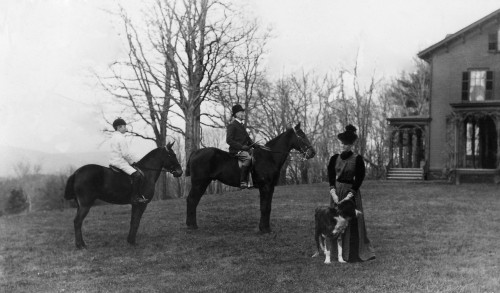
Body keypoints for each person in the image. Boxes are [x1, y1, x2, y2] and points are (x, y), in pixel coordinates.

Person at [327, 124, 375, 262]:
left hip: (350, 193)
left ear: (351, 145)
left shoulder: (357, 159)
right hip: (336, 192)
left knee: (351, 221)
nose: (345, 146)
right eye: (343, 144)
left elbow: (359, 178)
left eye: (347, 144)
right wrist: (333, 193)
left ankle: (352, 253)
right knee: (335, 220)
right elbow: (331, 176)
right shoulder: (334, 158)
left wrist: (350, 195)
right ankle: (335, 253)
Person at [109, 118, 147, 204]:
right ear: (118, 127)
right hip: (120, 162)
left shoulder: (113, 137)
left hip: (113, 162)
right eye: (124, 126)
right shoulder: (121, 138)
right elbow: (125, 154)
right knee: (137, 175)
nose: (125, 128)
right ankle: (135, 198)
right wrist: (132, 162)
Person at [226, 104, 255, 189]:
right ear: (237, 114)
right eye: (242, 112)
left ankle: (251, 183)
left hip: (245, 149)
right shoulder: (232, 125)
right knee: (248, 158)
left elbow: (248, 139)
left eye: (243, 112)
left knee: (255, 157)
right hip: (236, 151)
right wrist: (242, 147)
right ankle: (242, 181)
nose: (243, 114)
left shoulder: (242, 126)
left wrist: (255, 145)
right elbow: (229, 140)